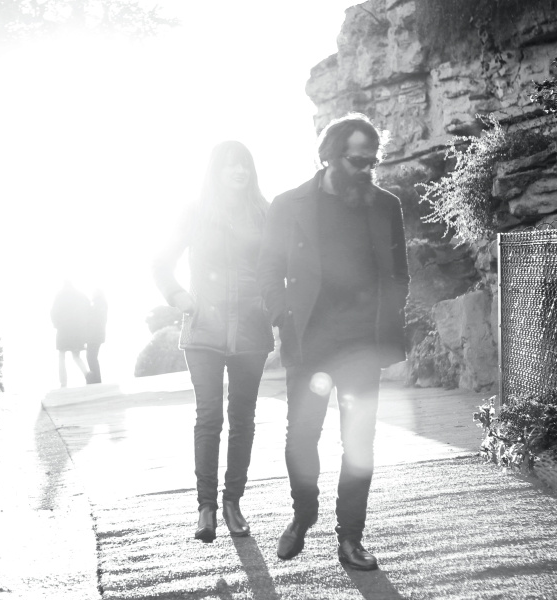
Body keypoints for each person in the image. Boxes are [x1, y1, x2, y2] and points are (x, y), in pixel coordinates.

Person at [256, 113, 409, 570]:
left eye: (372, 161)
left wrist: (389, 316)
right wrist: (282, 316)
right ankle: (304, 512)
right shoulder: (288, 204)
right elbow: (268, 269)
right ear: (329, 156)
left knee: (359, 440)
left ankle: (351, 538)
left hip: (362, 343)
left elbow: (399, 273)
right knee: (302, 437)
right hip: (310, 341)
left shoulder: (385, 205)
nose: (366, 169)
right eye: (357, 160)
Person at [153, 141, 274, 543]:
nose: (239, 171)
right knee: (209, 417)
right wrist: (179, 297)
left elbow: (279, 265)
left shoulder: (264, 212)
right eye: (230, 165)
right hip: (204, 330)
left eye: (245, 165)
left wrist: (270, 303)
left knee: (243, 418)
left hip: (252, 331)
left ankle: (232, 502)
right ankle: (205, 507)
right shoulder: (195, 212)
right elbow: (160, 262)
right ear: (216, 171)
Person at [50, 280, 91, 387]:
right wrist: (83, 325)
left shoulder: (59, 295)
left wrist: (56, 324)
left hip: (63, 330)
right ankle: (87, 375)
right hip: (76, 331)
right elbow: (88, 307)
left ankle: (63, 383)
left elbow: (53, 312)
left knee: (61, 356)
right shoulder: (79, 295)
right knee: (76, 356)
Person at [85, 288, 108, 384]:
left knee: (91, 357)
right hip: (97, 335)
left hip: (94, 335)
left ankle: (96, 379)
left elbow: (94, 320)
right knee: (92, 357)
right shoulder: (101, 304)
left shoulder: (98, 304)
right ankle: (96, 378)